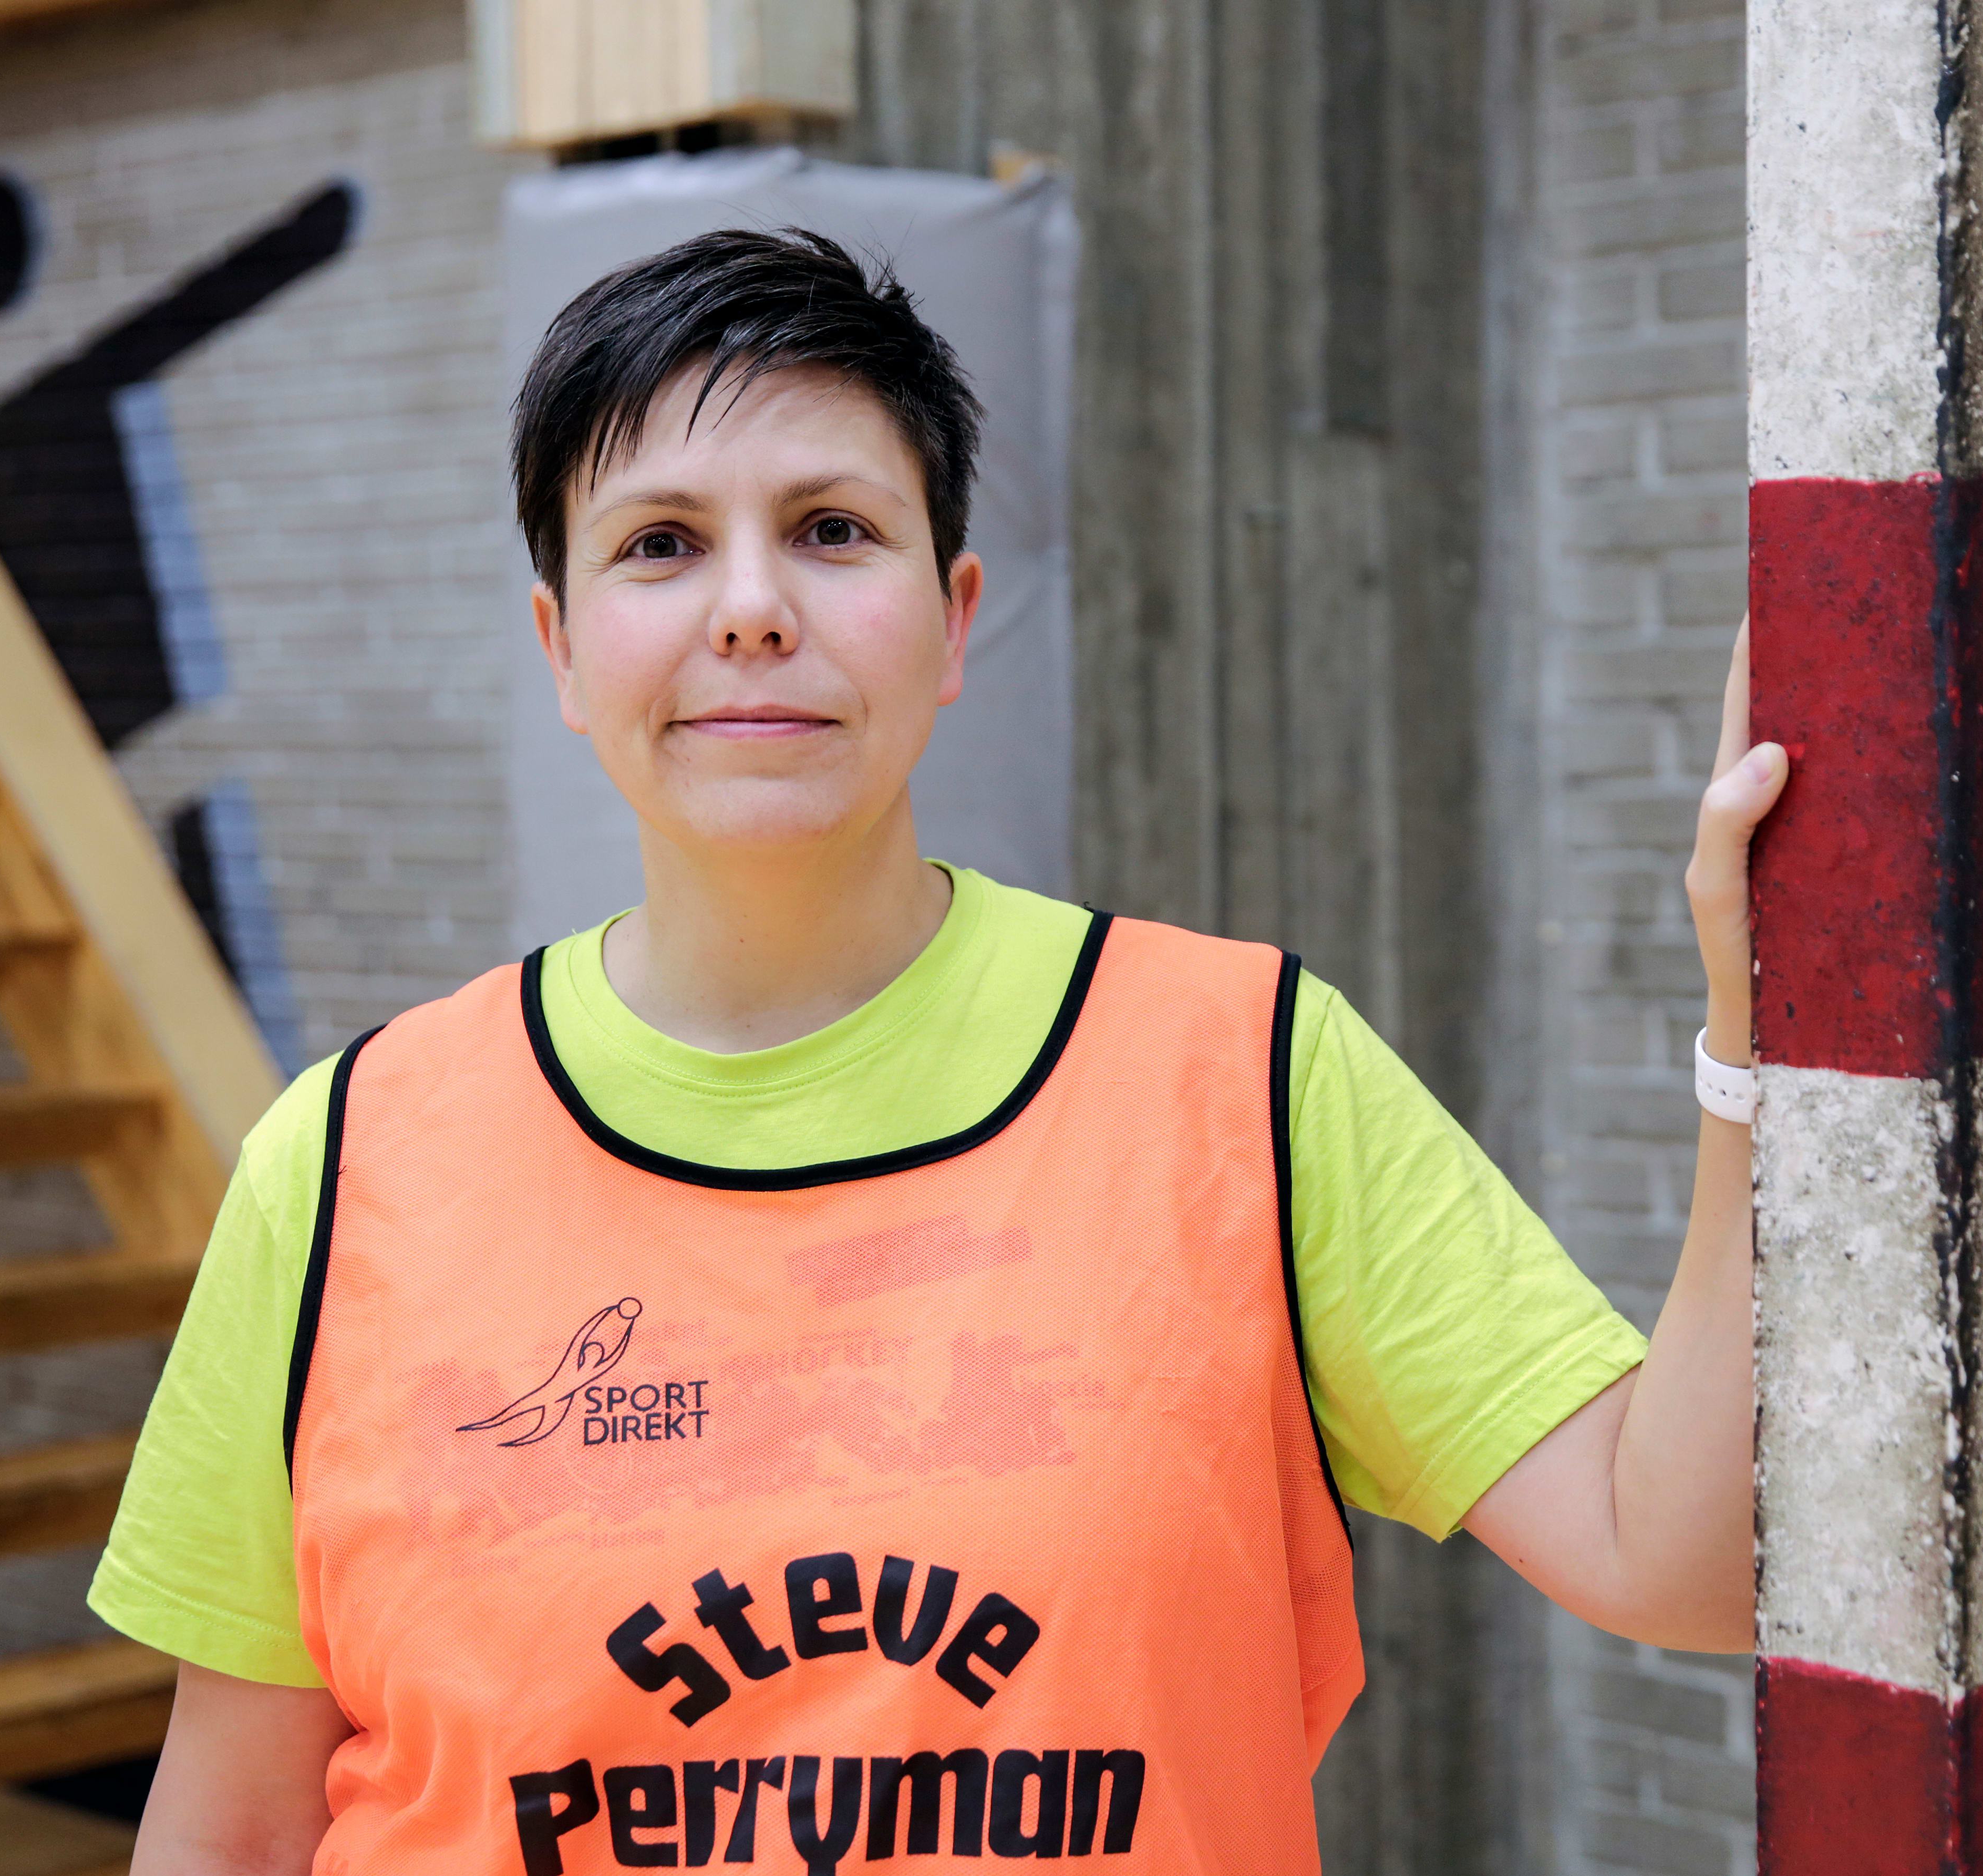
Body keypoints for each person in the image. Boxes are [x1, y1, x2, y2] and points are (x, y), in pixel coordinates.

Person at [96, 228, 1790, 1874]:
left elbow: (1687, 1558)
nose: (751, 608)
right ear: (560, 648)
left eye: (832, 529)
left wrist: (1759, 1029)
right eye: (659, 543)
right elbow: (234, 1834)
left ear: (957, 616)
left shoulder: (1245, 1075)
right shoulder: (347, 1161)